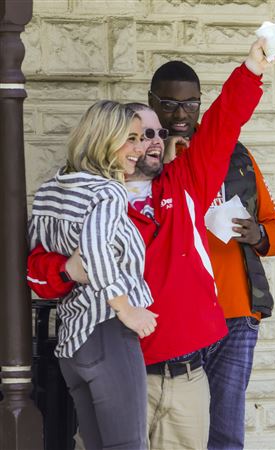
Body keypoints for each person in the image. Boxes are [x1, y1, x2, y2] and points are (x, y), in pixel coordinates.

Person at [27, 39, 271, 450]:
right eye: (141, 134)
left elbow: (223, 124)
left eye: (158, 133)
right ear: (115, 140)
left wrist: (251, 69)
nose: (154, 141)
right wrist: (69, 269)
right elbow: (35, 274)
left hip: (186, 378)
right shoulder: (84, 196)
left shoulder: (185, 184)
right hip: (119, 374)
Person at [149, 60, 275, 449]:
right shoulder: (141, 154)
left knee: (225, 430)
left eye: (190, 104)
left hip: (237, 311)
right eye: (169, 103)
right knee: (173, 430)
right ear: (151, 102)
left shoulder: (235, 156)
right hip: (178, 315)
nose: (180, 114)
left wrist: (258, 235)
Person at [28, 100, 157, 450]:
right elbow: (95, 249)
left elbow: (38, 253)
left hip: (72, 340)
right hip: (107, 331)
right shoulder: (108, 191)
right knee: (129, 445)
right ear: (103, 139)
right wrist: (126, 309)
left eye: (140, 138)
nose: (139, 148)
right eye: (129, 139)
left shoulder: (50, 190)